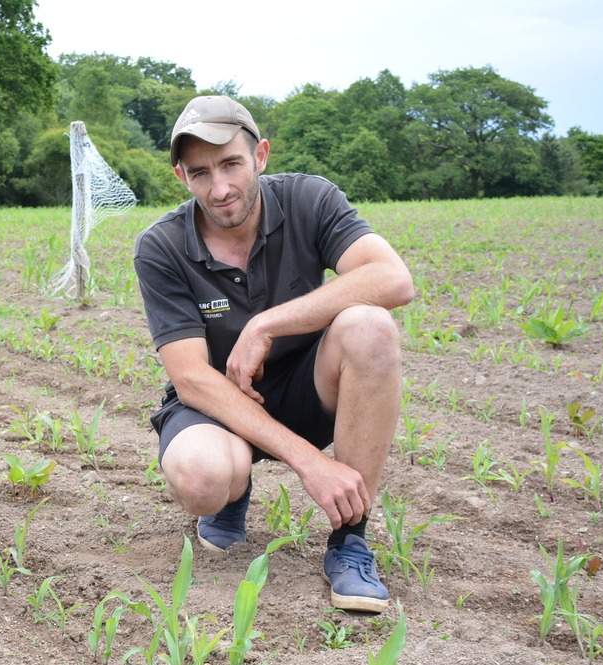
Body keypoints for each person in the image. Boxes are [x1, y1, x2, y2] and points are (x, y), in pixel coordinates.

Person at [133, 95, 414, 613]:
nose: (219, 189)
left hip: (308, 389)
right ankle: (233, 488)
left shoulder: (310, 199)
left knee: (371, 327)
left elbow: (393, 279)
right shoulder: (162, 246)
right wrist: (308, 461)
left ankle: (351, 541)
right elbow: (192, 378)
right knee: (200, 479)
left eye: (231, 164)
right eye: (200, 173)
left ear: (260, 155)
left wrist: (269, 322)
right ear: (181, 177)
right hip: (219, 404)